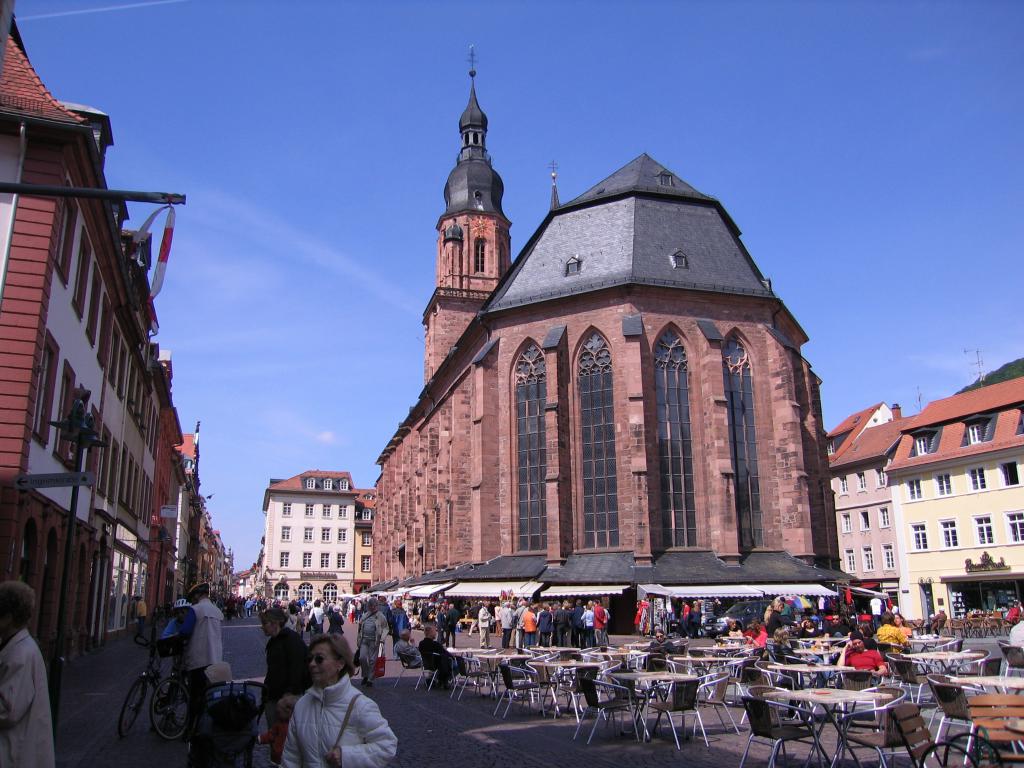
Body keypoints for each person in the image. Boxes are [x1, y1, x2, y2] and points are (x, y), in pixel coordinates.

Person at [281, 634, 396, 768]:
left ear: (340, 663)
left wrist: (346, 756)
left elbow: (387, 746)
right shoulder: (302, 704)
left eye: (319, 659)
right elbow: (291, 757)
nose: (312, 664)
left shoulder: (361, 706)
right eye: (309, 659)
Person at [0, 581, 54, 768]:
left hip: (16, 752)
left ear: (8, 618)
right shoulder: (19, 647)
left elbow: (7, 709)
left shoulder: (20, 654)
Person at [179, 582, 224, 732]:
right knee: (210, 696)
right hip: (215, 660)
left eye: (193, 597)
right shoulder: (217, 611)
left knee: (195, 696)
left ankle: (191, 728)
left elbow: (185, 631)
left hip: (199, 660)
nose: (192, 600)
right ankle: (208, 727)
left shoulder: (195, 609)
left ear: (198, 595)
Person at [261, 607, 311, 729]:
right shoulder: (274, 640)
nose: (262, 627)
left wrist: (290, 693)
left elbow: (297, 667)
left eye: (264, 623)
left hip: (285, 698)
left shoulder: (291, 639)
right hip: (273, 695)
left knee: (284, 737)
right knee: (275, 735)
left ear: (275, 623)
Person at [355, 598, 389, 687]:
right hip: (364, 640)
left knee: (372, 660)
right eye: (371, 605)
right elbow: (360, 626)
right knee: (362, 658)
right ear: (368, 606)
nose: (372, 607)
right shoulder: (365, 615)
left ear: (376, 606)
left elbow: (386, 628)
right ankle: (365, 675)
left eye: (374, 605)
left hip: (374, 641)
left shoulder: (380, 616)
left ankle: (370, 679)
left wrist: (382, 638)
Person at [258, 694, 297, 765]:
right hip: (277, 758)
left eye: (279, 712)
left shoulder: (296, 726)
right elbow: (271, 735)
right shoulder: (279, 724)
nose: (277, 714)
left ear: (288, 711)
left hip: (288, 758)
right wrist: (260, 738)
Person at [418, 623, 456, 689]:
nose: (436, 633)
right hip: (437, 665)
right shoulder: (435, 644)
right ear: (430, 633)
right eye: (435, 631)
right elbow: (446, 654)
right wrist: (453, 657)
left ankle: (433, 679)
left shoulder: (421, 643)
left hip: (426, 664)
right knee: (456, 663)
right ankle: (444, 680)